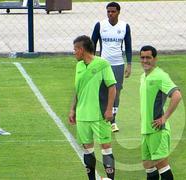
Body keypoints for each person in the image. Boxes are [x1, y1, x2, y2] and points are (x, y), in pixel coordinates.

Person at [69, 35, 116, 180]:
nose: (74, 52)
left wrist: (109, 109)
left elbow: (112, 87)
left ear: (82, 50)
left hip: (99, 115)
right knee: (88, 150)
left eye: (75, 49)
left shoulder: (103, 64)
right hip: (82, 115)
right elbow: (78, 89)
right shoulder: (79, 66)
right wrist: (72, 109)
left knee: (106, 148)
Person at [139, 45, 182, 180]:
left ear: (155, 59)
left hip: (157, 130)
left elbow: (177, 95)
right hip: (146, 130)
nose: (145, 60)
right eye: (142, 57)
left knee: (162, 167)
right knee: (149, 166)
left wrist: (165, 117)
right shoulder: (143, 76)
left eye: (148, 58)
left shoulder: (160, 76)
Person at [91, 1, 132, 132]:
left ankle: (113, 120)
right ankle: (104, 118)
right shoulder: (100, 25)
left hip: (118, 64)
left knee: (116, 93)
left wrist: (129, 64)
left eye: (113, 11)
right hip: (103, 64)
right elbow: (93, 44)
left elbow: (128, 46)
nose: (110, 14)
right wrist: (92, 62)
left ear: (118, 12)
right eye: (108, 11)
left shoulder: (125, 26)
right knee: (102, 92)